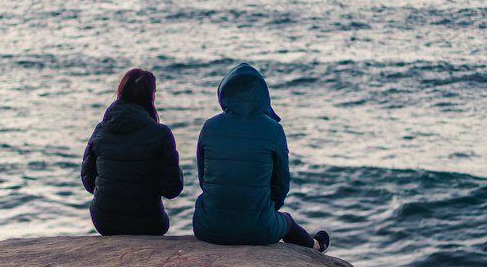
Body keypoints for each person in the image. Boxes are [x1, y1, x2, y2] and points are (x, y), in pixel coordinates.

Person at [192, 62, 329, 252]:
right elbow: (281, 184)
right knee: (286, 221)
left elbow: (203, 179)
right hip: (258, 230)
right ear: (263, 95)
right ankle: (316, 246)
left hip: (208, 227)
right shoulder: (274, 129)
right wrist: (268, 208)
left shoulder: (209, 126)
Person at [81, 68, 184, 236]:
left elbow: (88, 182)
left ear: (121, 92)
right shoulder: (161, 133)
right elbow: (172, 190)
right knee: (162, 221)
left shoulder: (101, 130)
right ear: (151, 96)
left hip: (104, 221)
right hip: (149, 223)